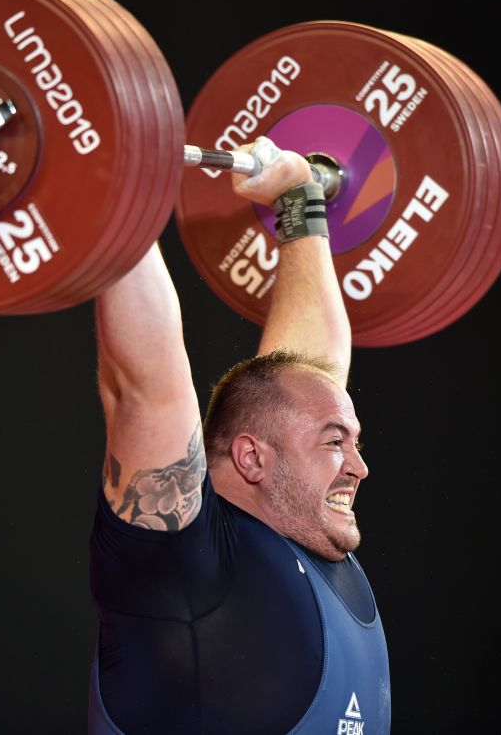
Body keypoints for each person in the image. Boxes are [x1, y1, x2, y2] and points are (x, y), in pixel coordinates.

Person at [88, 137, 390, 734]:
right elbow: (145, 386)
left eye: (353, 442)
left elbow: (309, 378)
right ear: (251, 457)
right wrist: (112, 180)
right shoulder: (183, 574)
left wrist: (300, 198)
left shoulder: (300, 526)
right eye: (336, 444)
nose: (359, 466)